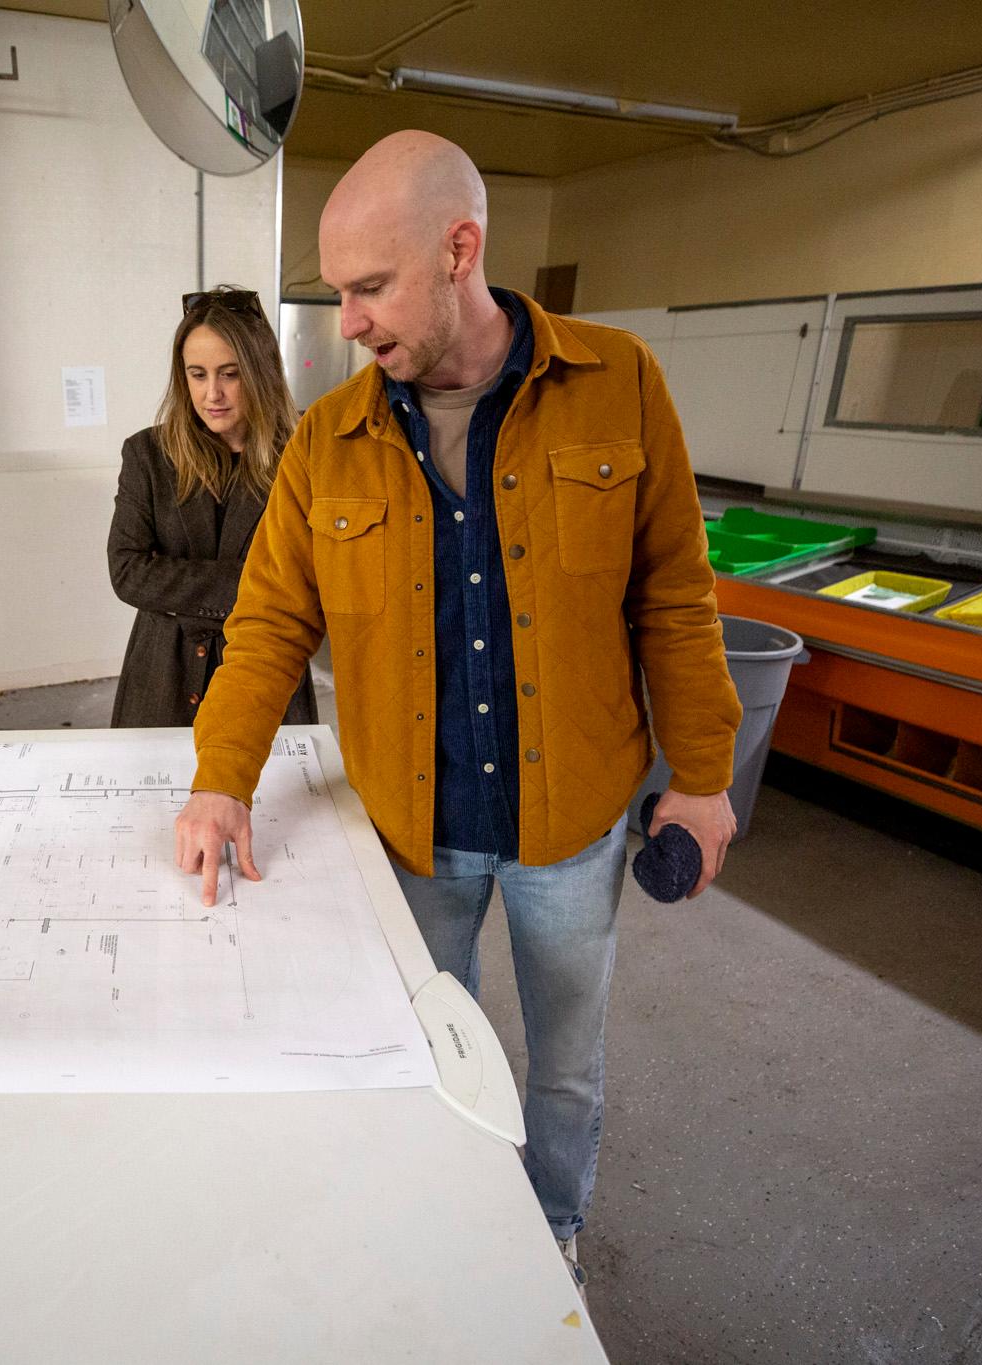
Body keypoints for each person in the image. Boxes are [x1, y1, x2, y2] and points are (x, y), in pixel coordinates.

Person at [171, 132, 742, 1289]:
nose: (348, 322)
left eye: (369, 289)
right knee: (426, 1047)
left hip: (570, 826)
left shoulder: (618, 382)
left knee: (563, 1067)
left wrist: (702, 771)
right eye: (336, 293)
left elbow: (674, 596)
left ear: (458, 251)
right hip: (409, 825)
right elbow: (269, 623)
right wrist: (220, 775)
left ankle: (551, 1236)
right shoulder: (325, 443)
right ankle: (444, 1225)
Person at [107, 287, 318, 729]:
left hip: (266, 676)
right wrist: (259, 584)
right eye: (197, 374)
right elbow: (128, 572)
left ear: (261, 374)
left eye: (230, 374)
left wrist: (174, 587)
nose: (212, 394)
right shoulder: (148, 454)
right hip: (161, 680)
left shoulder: (302, 455)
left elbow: (312, 579)